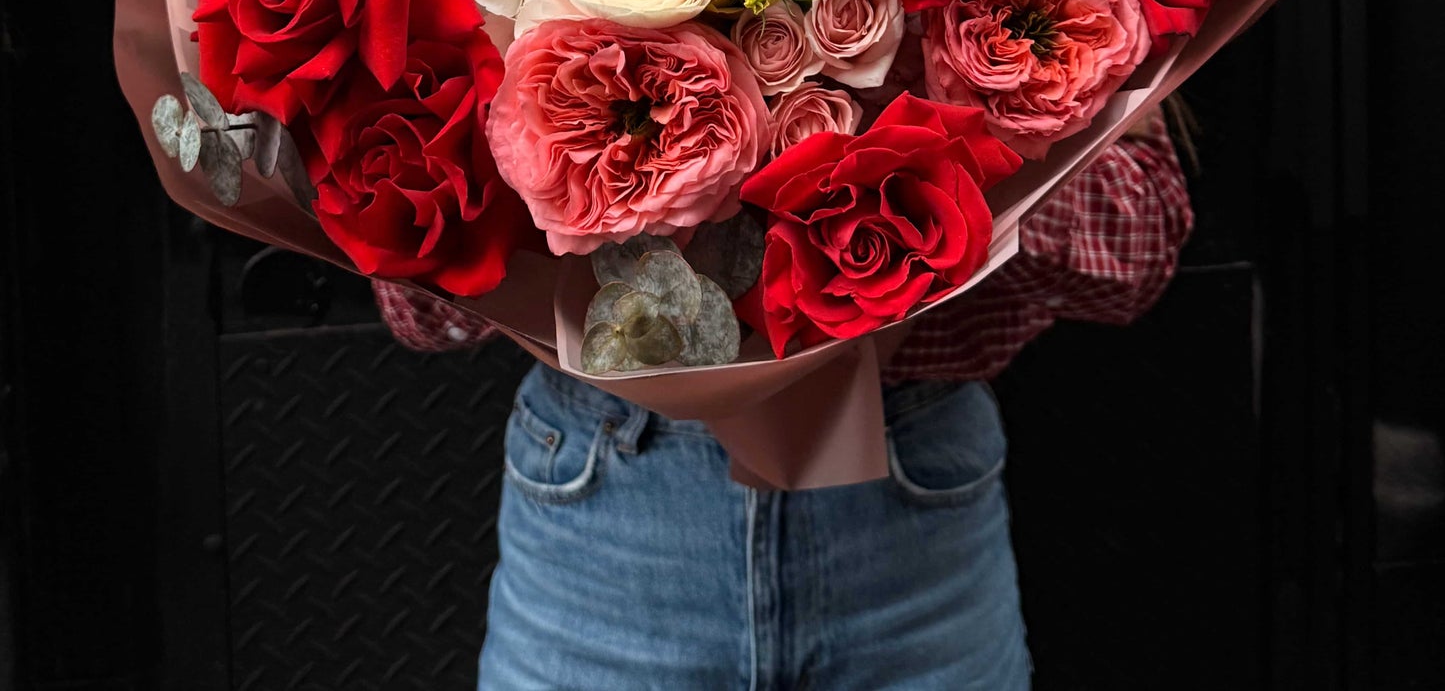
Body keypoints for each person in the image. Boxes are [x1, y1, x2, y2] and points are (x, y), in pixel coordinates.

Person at [376, 110, 1192, 690]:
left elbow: (1138, 251)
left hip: (911, 513)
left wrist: (949, 159)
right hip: (609, 505)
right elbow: (419, 314)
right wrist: (562, 171)